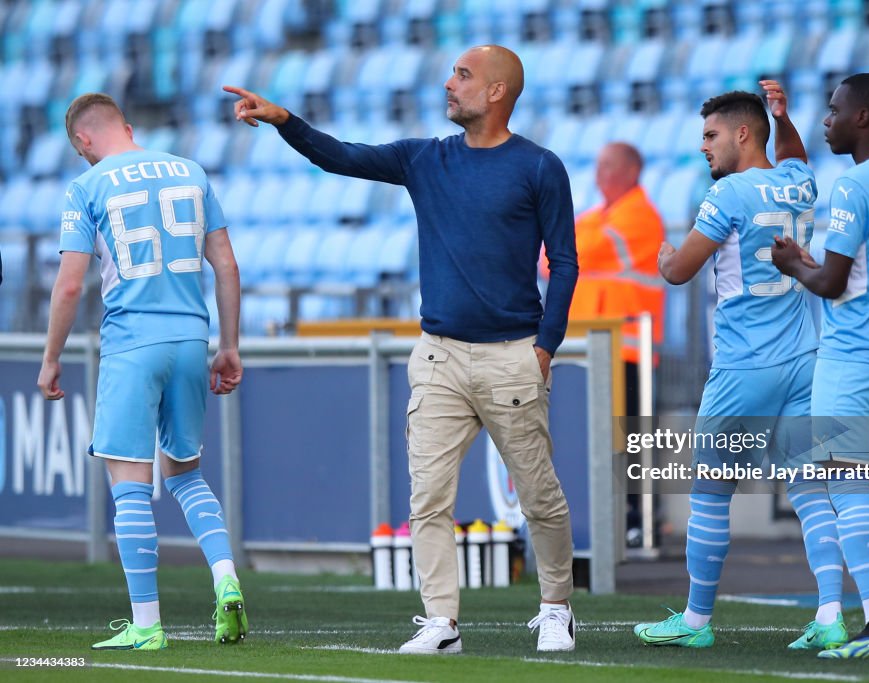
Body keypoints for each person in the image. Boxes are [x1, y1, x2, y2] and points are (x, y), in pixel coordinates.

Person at [223, 44, 579, 654]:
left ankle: (556, 608)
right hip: (438, 355)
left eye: (463, 76)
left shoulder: (540, 167)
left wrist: (545, 346)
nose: (449, 83)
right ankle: (442, 621)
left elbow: (566, 263)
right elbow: (342, 158)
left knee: (540, 496)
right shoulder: (424, 158)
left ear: (497, 92)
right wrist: (286, 122)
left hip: (512, 356)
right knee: (427, 498)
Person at [632, 82, 846, 650]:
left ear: (742, 133)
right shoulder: (798, 183)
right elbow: (796, 154)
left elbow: (679, 271)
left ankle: (696, 622)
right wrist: (785, 116)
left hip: (744, 368)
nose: (704, 147)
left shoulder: (726, 196)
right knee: (809, 490)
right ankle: (830, 614)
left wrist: (661, 259)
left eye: (711, 135)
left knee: (710, 492)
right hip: (806, 359)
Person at [37, 93, 247, 650]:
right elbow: (225, 265)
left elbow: (71, 284)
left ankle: (148, 624)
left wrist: (51, 356)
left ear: (83, 140)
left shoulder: (88, 186)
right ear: (126, 127)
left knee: (129, 484)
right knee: (185, 474)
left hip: (132, 342)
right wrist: (228, 346)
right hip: (189, 337)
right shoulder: (191, 171)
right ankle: (226, 578)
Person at [773, 73, 869, 659]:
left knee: (843, 482)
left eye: (834, 110)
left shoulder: (853, 185)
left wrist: (794, 264)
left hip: (853, 351)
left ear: (864, 117)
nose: (826, 120)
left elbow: (832, 281)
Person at [551, 141, 665, 545]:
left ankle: (641, 522)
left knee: (631, 442)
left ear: (632, 171)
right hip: (591, 350)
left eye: (609, 166)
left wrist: (563, 247)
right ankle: (612, 522)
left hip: (630, 350)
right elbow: (554, 259)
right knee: (602, 441)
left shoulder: (641, 218)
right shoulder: (598, 216)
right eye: (598, 166)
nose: (600, 173)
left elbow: (574, 252)